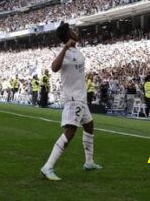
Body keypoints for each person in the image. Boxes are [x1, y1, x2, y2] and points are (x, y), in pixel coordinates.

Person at [40, 22, 101, 181]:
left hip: (81, 98)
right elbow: (53, 67)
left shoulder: (76, 50)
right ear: (68, 35)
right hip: (74, 99)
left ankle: (89, 162)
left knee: (89, 125)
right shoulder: (66, 52)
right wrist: (65, 47)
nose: (75, 31)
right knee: (70, 132)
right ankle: (48, 166)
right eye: (72, 30)